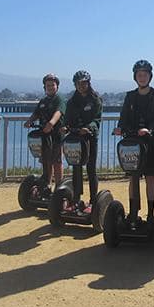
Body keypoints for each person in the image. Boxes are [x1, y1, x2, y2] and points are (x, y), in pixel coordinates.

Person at [113, 59, 154, 224]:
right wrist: (120, 128)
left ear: (150, 76)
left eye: (145, 75)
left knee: (150, 177)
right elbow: (123, 117)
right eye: (139, 75)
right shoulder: (130, 96)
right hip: (132, 143)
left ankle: (151, 214)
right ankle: (133, 212)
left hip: (150, 143)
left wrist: (150, 130)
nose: (142, 77)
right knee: (133, 177)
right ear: (135, 77)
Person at [64, 70, 102, 214]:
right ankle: (76, 199)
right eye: (79, 83)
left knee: (91, 168)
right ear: (75, 85)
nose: (82, 86)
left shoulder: (95, 99)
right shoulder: (72, 102)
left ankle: (93, 200)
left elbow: (97, 119)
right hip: (75, 137)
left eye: (84, 83)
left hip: (90, 138)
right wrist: (65, 127)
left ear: (88, 83)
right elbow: (67, 120)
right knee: (76, 167)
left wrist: (89, 128)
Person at [24, 74, 65, 193]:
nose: (50, 87)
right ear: (44, 87)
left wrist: (51, 123)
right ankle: (47, 184)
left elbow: (59, 112)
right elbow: (36, 113)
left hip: (56, 134)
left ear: (57, 86)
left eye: (53, 85)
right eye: (48, 85)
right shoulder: (43, 101)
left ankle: (59, 186)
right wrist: (29, 121)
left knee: (56, 161)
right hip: (44, 135)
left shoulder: (59, 99)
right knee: (46, 160)